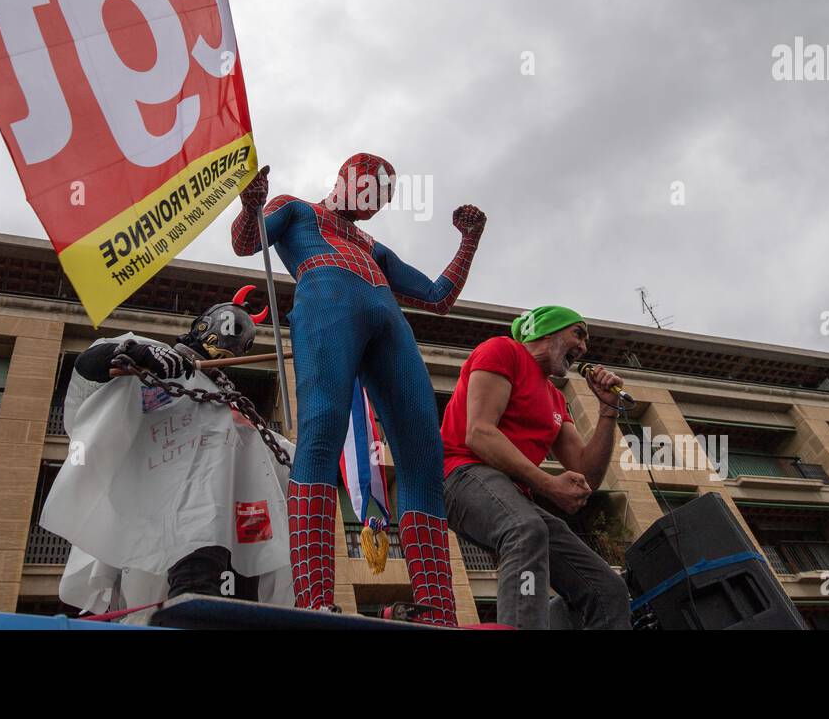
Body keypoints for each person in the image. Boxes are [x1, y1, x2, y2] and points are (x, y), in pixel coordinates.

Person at [231, 154, 485, 625]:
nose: (375, 202)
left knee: (423, 453)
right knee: (322, 428)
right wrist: (250, 206)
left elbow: (438, 297)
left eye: (384, 197)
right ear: (346, 177)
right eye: (371, 188)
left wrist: (469, 242)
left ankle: (437, 608)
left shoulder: (372, 245)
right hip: (326, 298)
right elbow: (248, 244)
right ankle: (314, 599)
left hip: (388, 320)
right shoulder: (297, 210)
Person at [39, 297, 295, 623]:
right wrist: (133, 353)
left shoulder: (235, 411)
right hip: (149, 521)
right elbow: (88, 377)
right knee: (144, 610)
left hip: (220, 537)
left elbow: (282, 461)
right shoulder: (153, 365)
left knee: (202, 601)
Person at [440, 305, 632, 629]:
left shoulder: (556, 400)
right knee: (526, 529)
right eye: (578, 334)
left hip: (513, 494)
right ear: (547, 332)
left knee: (608, 589)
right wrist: (548, 483)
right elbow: (480, 433)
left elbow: (588, 475)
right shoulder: (503, 351)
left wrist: (608, 411)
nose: (585, 347)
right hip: (462, 473)